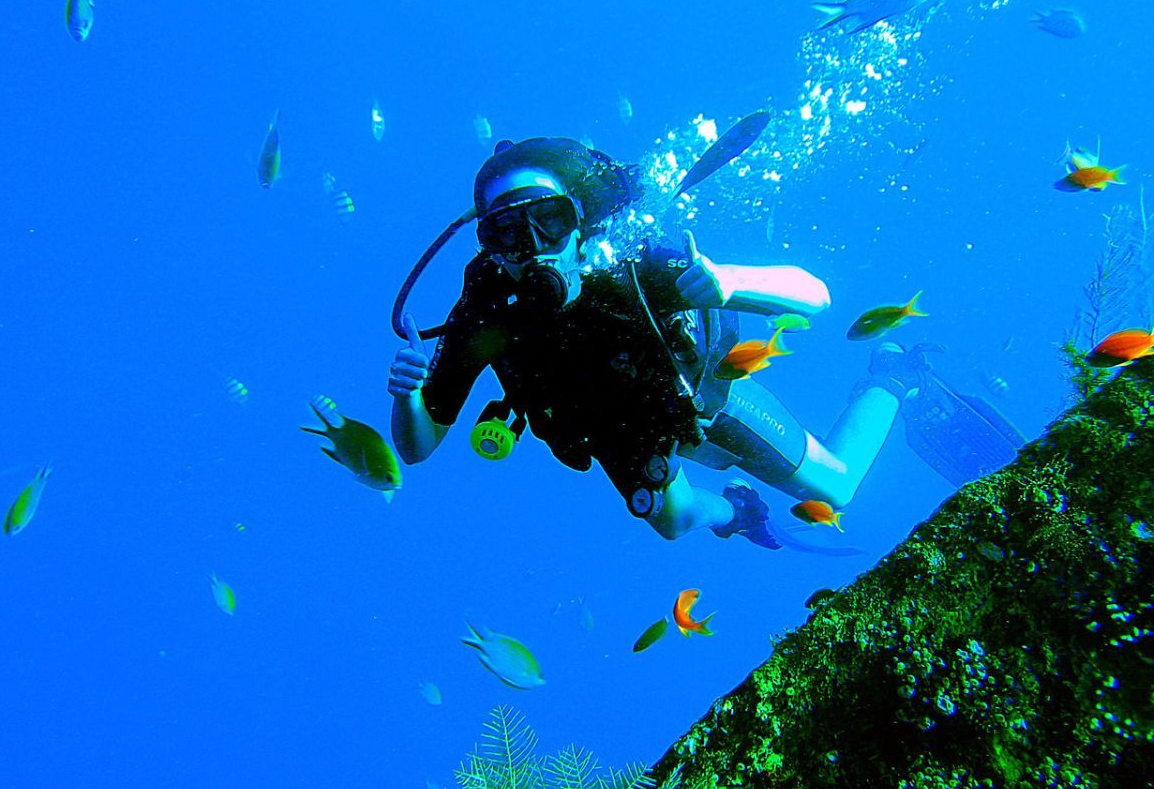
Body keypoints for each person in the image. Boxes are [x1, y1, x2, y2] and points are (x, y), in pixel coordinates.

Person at [387, 137, 1019, 552]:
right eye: (506, 232)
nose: (532, 246)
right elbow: (415, 450)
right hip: (619, 435)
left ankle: (890, 374)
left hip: (700, 399)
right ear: (487, 247)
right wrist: (410, 396)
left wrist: (724, 284)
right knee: (673, 522)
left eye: (547, 220)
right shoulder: (484, 315)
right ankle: (740, 513)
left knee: (838, 490)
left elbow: (815, 294)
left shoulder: (633, 267)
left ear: (580, 221)